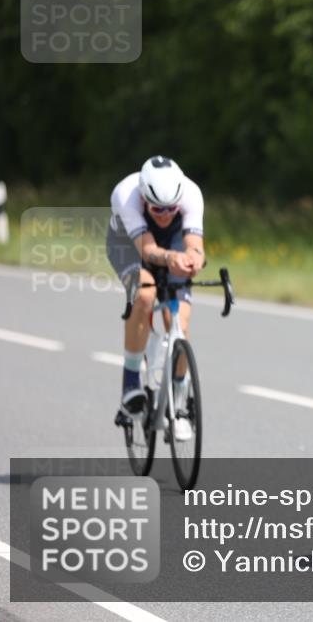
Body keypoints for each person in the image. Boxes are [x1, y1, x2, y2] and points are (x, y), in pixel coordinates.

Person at [106, 156, 205, 440]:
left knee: (180, 323)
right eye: (156, 208)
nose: (163, 213)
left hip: (172, 239)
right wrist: (171, 258)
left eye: (171, 208)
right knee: (146, 293)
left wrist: (193, 259)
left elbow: (194, 244)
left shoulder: (191, 194)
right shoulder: (126, 194)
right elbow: (147, 250)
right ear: (144, 197)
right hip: (128, 242)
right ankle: (130, 384)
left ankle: (181, 406)